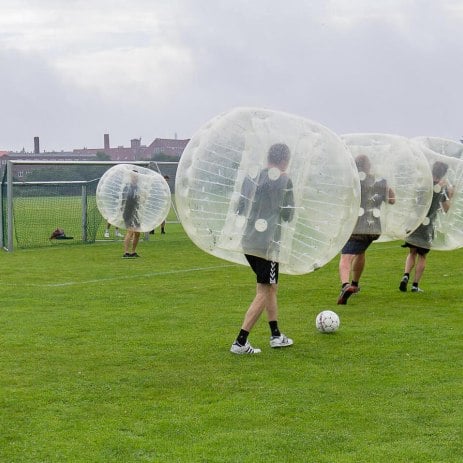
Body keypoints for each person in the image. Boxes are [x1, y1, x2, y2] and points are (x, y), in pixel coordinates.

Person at [230, 143, 295, 355]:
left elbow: (240, 207)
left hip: (248, 240)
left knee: (268, 286)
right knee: (266, 289)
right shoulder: (285, 180)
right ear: (285, 160)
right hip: (268, 243)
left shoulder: (252, 177)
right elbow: (288, 215)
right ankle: (240, 342)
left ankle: (276, 335)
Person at [337, 154, 396, 305]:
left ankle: (345, 286)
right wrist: (389, 188)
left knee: (346, 257)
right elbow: (392, 201)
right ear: (368, 166)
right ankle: (355, 284)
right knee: (360, 252)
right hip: (373, 229)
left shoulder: (354, 183)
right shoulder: (379, 183)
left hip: (356, 227)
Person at [399, 161, 452, 292]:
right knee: (422, 256)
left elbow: (414, 201)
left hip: (415, 222)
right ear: (443, 173)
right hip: (427, 227)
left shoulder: (423, 184)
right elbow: (446, 208)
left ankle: (406, 275)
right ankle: (415, 285)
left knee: (411, 252)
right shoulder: (442, 189)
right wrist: (450, 195)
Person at [122, 170, 141, 258]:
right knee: (130, 231)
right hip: (128, 212)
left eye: (136, 176)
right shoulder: (127, 187)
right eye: (134, 176)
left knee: (137, 232)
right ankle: (126, 252)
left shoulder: (137, 187)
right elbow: (125, 200)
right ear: (131, 177)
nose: (135, 178)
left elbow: (138, 200)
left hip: (135, 212)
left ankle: (133, 252)